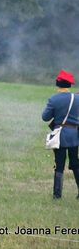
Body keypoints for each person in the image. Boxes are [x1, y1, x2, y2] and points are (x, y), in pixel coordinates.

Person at [42, 70, 79, 199]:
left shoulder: (53, 99)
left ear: (58, 83)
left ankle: (57, 195)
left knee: (59, 164)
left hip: (60, 136)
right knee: (75, 163)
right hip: (75, 136)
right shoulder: (77, 98)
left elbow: (45, 117)